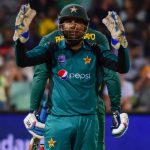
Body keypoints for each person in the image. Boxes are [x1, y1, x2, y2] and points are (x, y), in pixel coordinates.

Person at [14, 4, 129, 150]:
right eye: (69, 21)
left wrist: (122, 46)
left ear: (85, 25)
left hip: (87, 112)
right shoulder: (52, 46)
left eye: (77, 22)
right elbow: (29, 66)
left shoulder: (94, 48)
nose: (73, 26)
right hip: (61, 112)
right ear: (61, 24)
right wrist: (20, 40)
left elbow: (117, 70)